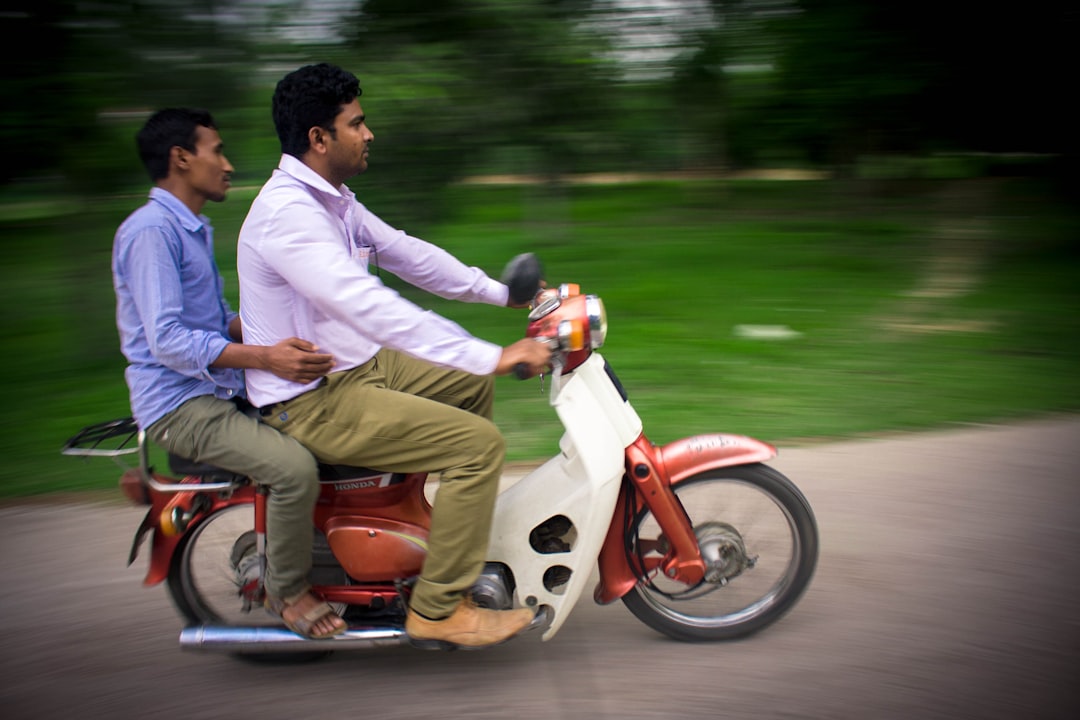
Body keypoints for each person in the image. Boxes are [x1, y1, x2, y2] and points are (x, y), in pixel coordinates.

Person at [236, 63, 552, 648]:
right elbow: (369, 305)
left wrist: (502, 293)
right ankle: (437, 611)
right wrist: (491, 354)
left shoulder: (333, 201)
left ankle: (435, 533)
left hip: (359, 366)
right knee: (477, 446)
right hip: (313, 399)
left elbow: (405, 254)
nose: (369, 133)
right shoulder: (289, 217)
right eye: (357, 123)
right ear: (319, 138)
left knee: (465, 386)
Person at [113, 108, 347, 639]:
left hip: (215, 389)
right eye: (216, 151)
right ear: (180, 158)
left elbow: (212, 326)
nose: (228, 164)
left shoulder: (187, 227)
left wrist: (293, 311)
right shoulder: (151, 232)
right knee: (292, 470)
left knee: (336, 419)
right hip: (182, 406)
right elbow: (169, 341)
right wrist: (266, 357)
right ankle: (285, 591)